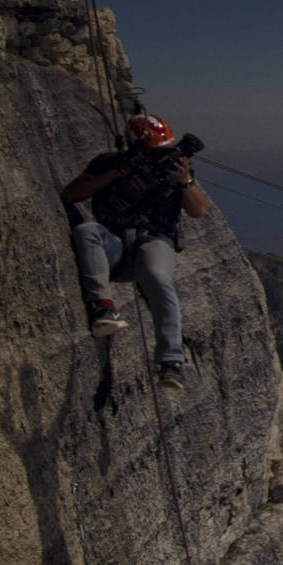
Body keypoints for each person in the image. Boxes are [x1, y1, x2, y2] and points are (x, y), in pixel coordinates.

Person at [62, 116, 209, 389]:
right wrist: (117, 173)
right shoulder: (109, 163)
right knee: (87, 232)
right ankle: (102, 308)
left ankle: (171, 361)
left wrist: (185, 181)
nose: (161, 156)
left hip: (154, 239)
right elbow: (72, 194)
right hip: (115, 243)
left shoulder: (176, 170)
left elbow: (198, 210)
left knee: (156, 276)